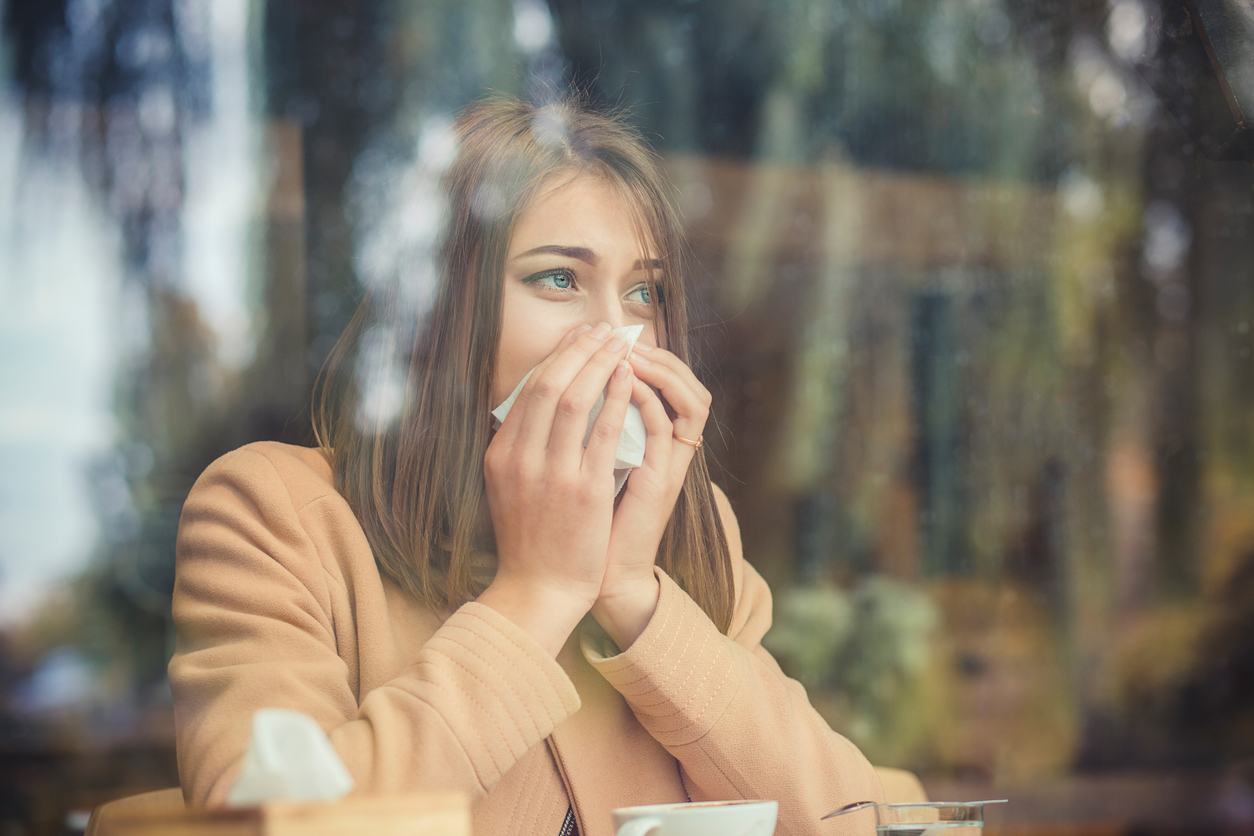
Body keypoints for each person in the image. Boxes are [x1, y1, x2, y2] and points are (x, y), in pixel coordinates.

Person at [168, 95, 889, 836]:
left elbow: (854, 821)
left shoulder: (693, 542)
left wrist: (635, 595)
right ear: (443, 315)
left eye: (644, 293)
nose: (618, 337)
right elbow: (269, 825)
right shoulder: (272, 515)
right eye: (559, 279)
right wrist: (537, 593)